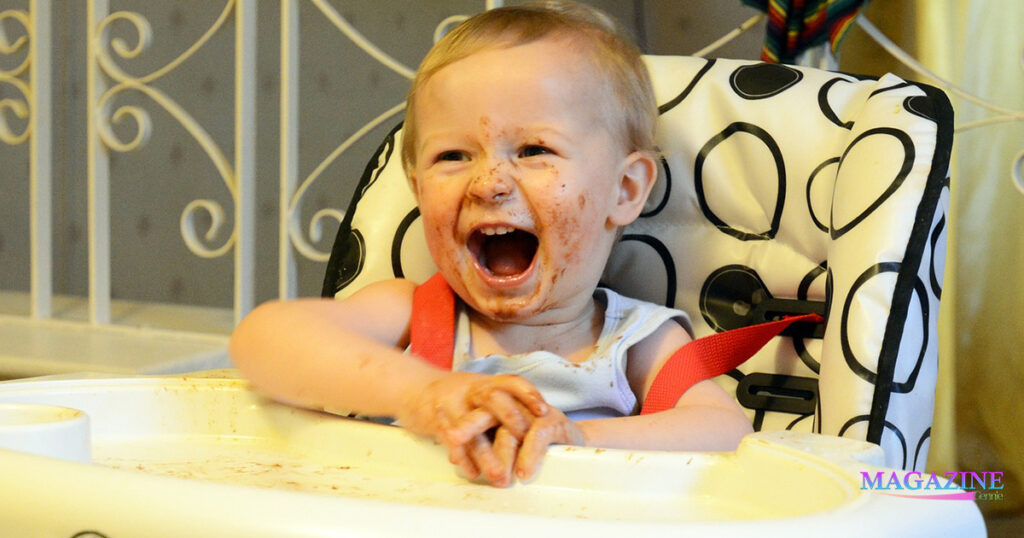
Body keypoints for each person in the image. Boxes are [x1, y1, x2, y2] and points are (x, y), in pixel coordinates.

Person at [230, 1, 752, 488]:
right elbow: (261, 341)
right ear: (416, 188)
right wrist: (421, 393)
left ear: (625, 189)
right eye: (453, 156)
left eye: (533, 149)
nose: (490, 183)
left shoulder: (636, 343)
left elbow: (727, 434)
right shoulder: (412, 316)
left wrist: (578, 440)